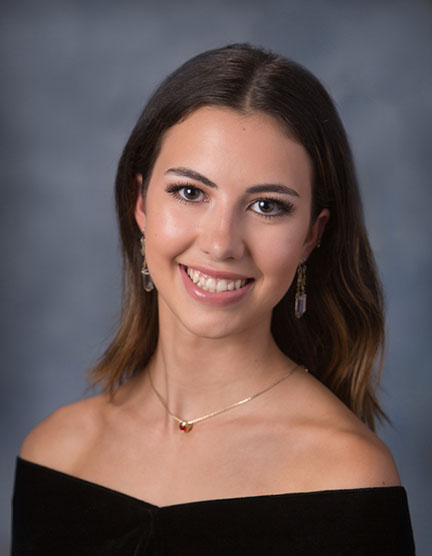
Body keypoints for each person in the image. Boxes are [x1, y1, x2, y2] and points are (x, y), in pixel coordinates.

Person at [12, 43, 415, 554]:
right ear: (140, 203)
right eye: (189, 192)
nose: (222, 243)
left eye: (268, 206)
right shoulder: (55, 452)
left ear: (313, 235)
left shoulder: (348, 476)